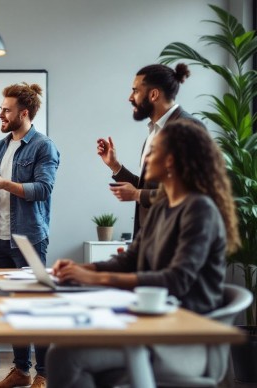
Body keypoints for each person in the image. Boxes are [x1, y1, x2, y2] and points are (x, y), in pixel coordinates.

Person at [47, 119, 239, 388]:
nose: (146, 156)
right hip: (152, 325)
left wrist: (95, 279)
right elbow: (129, 260)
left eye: (154, 151)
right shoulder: (162, 207)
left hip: (182, 340)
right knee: (66, 349)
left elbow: (176, 280)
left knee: (64, 356)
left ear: (171, 161)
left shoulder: (200, 210)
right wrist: (82, 270)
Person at [0, 82, 60, 388]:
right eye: (1, 109)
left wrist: (4, 184)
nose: (1, 114)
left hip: (28, 238)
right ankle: (20, 371)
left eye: (6, 110)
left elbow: (43, 189)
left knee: (36, 306)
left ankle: (44, 373)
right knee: (10, 307)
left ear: (24, 112)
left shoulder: (43, 146)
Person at [97, 63, 202, 237]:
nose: (130, 97)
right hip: (152, 240)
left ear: (153, 94)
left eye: (136, 91)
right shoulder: (154, 132)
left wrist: (137, 194)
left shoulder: (188, 128)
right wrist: (115, 165)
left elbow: (189, 192)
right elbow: (150, 186)